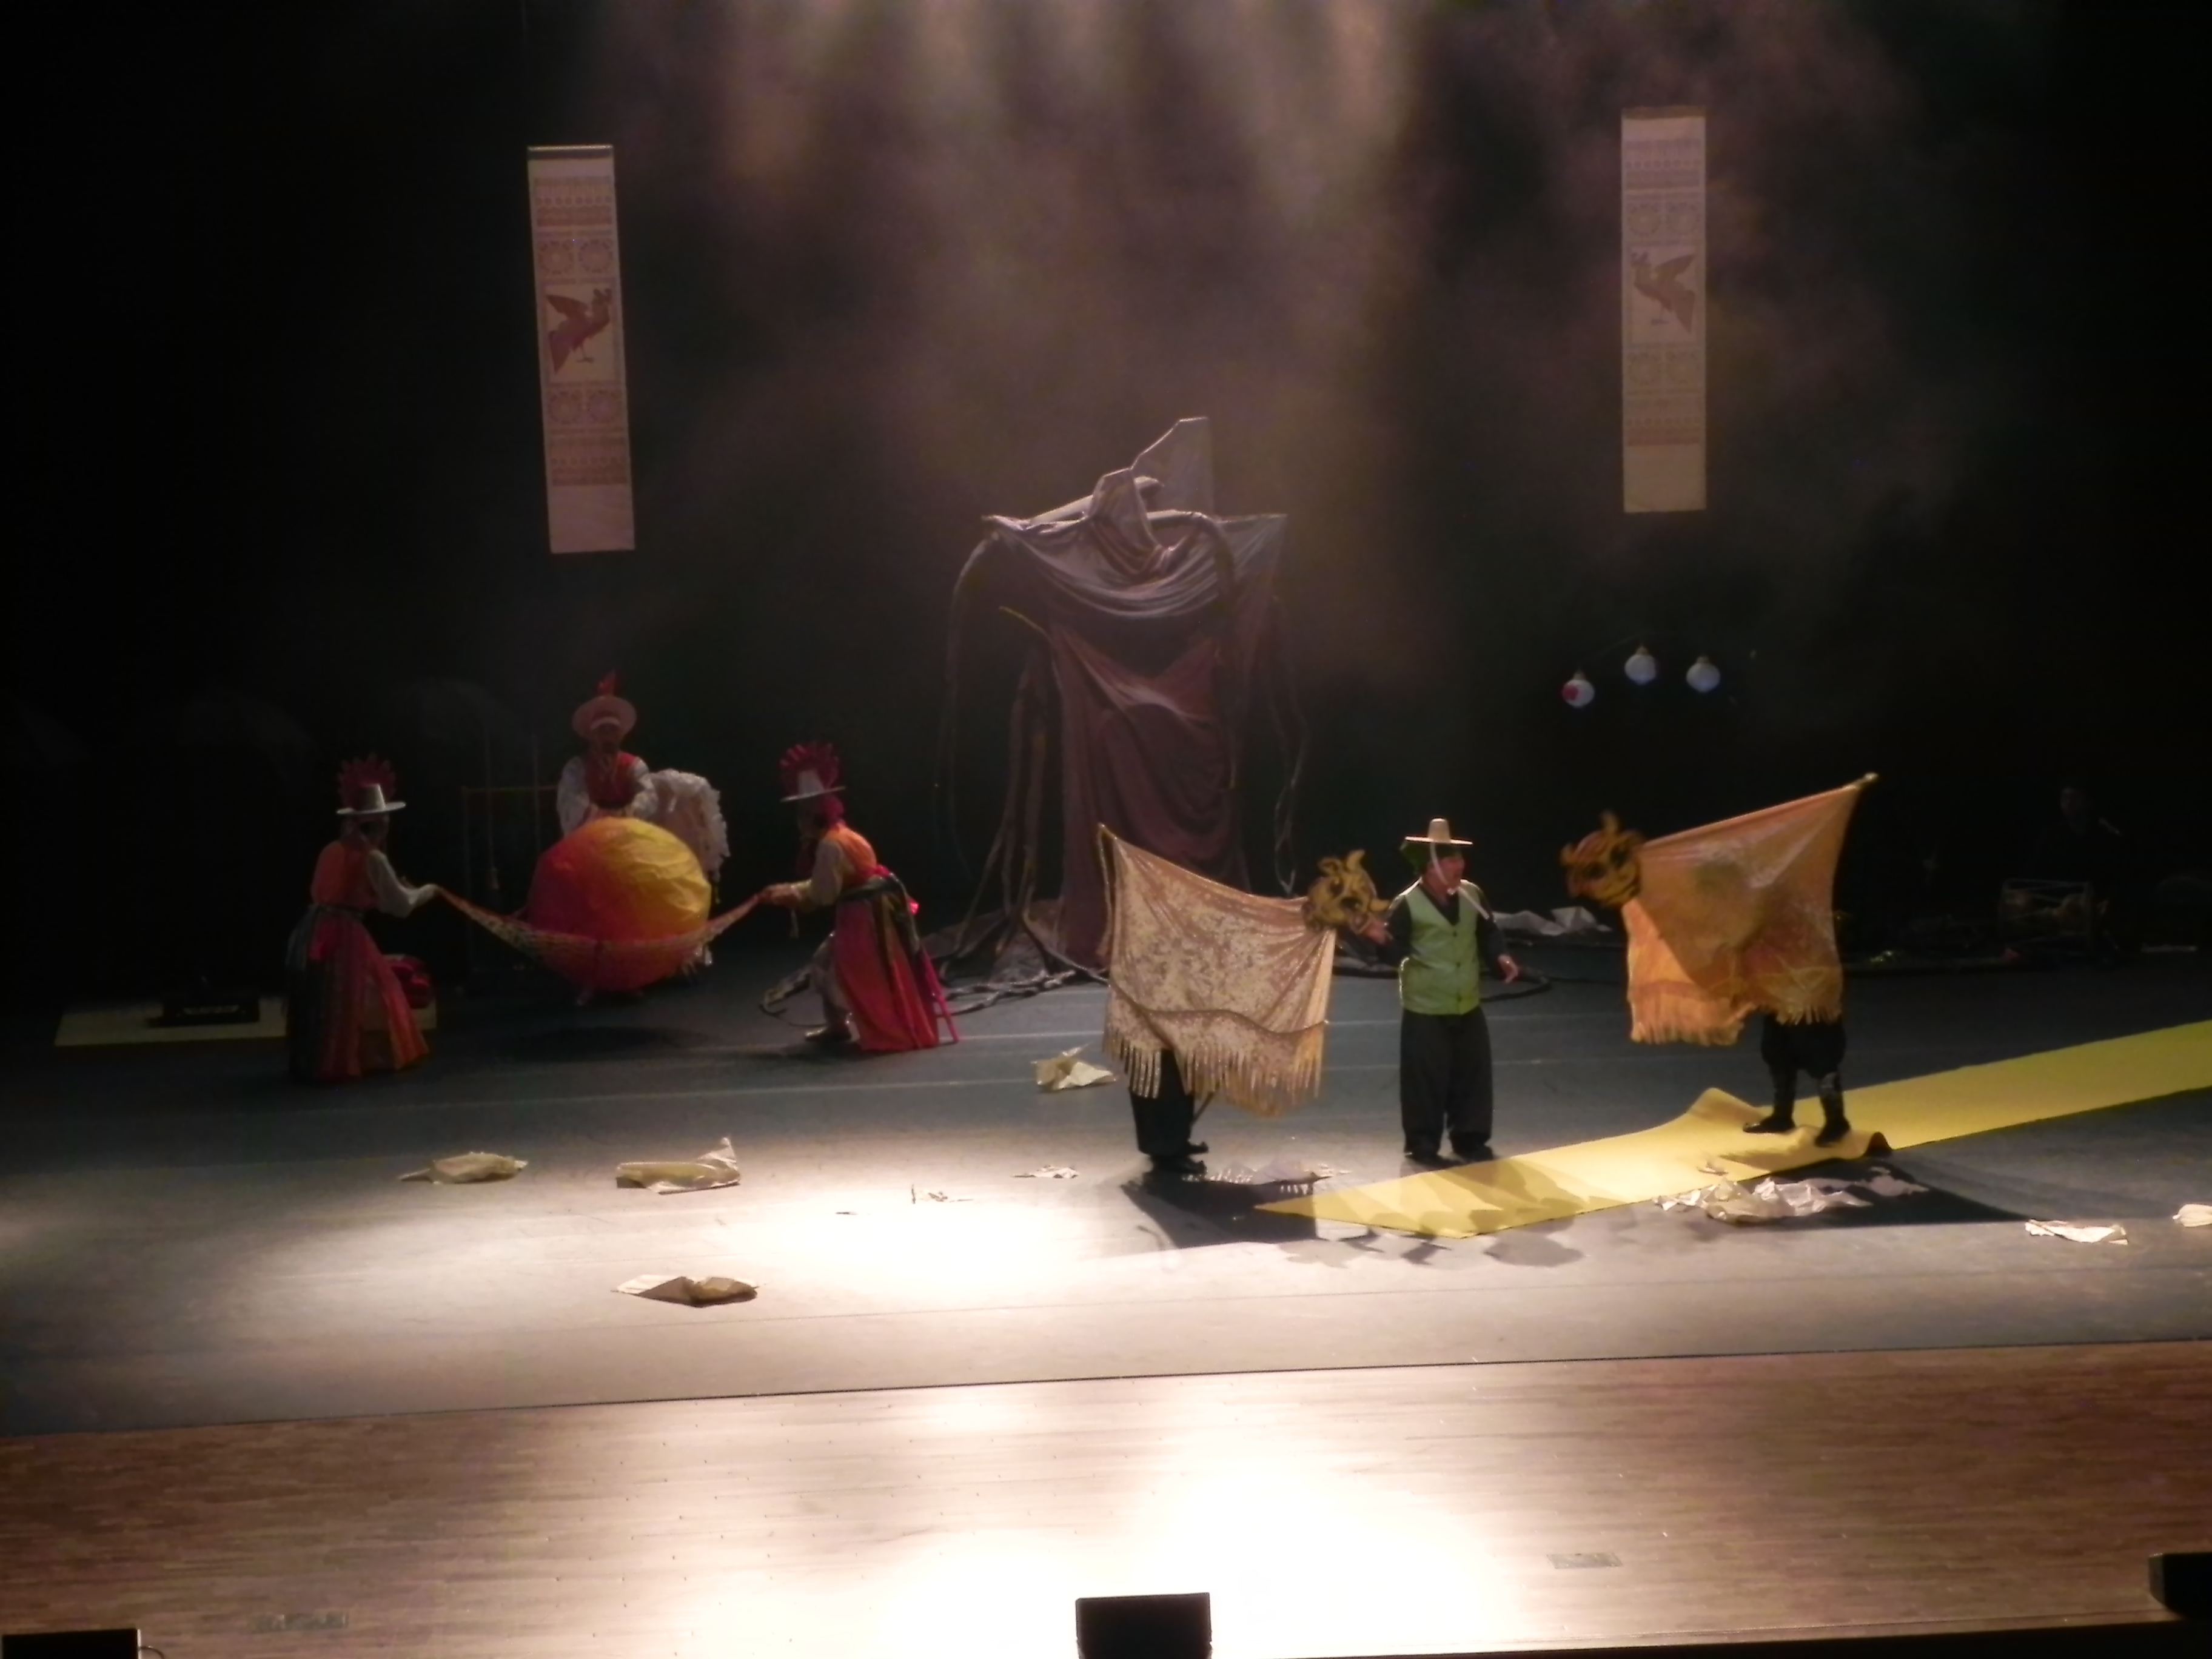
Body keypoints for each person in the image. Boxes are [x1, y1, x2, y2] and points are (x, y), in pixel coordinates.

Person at [757, 742, 954, 1052]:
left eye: (802, 813)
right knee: (825, 962)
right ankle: (838, 1027)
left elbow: (824, 893)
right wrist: (790, 888)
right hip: (872, 912)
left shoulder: (831, 845)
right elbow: (830, 880)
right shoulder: (844, 835)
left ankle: (878, 1029)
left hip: (863, 918)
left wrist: (788, 896)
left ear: (811, 814)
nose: (799, 820)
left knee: (851, 974)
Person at [1356, 817, 1520, 1165]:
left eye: (1460, 859)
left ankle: (1470, 1138)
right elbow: (1394, 953)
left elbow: (1489, 932)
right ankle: (1422, 1143)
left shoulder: (1472, 895)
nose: (1460, 865)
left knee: (1472, 1076)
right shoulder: (1407, 904)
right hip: (1426, 1007)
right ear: (1431, 867)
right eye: (1451, 860)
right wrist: (1380, 940)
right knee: (1425, 1080)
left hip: (1467, 1003)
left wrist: (1500, 956)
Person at [286, 758, 440, 1083]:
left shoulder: (331, 849)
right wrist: (428, 891)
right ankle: (356, 1058)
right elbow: (400, 906)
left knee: (326, 997)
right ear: (382, 825)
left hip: (313, 930)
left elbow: (337, 891)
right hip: (345, 934)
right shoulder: (373, 858)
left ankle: (321, 1057)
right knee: (368, 994)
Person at [558, 672, 729, 883]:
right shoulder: (576, 768)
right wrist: (609, 823)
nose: (609, 736)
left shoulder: (634, 766)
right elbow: (573, 806)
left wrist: (622, 820)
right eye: (603, 731)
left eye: (613, 731)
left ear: (621, 735)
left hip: (629, 845)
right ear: (592, 736)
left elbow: (647, 801)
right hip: (590, 846)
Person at [1743, 1013, 1851, 1147]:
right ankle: (1782, 1116)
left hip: (1812, 1006)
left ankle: (1836, 1121)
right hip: (1779, 1005)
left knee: (1820, 1054)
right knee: (1777, 1050)